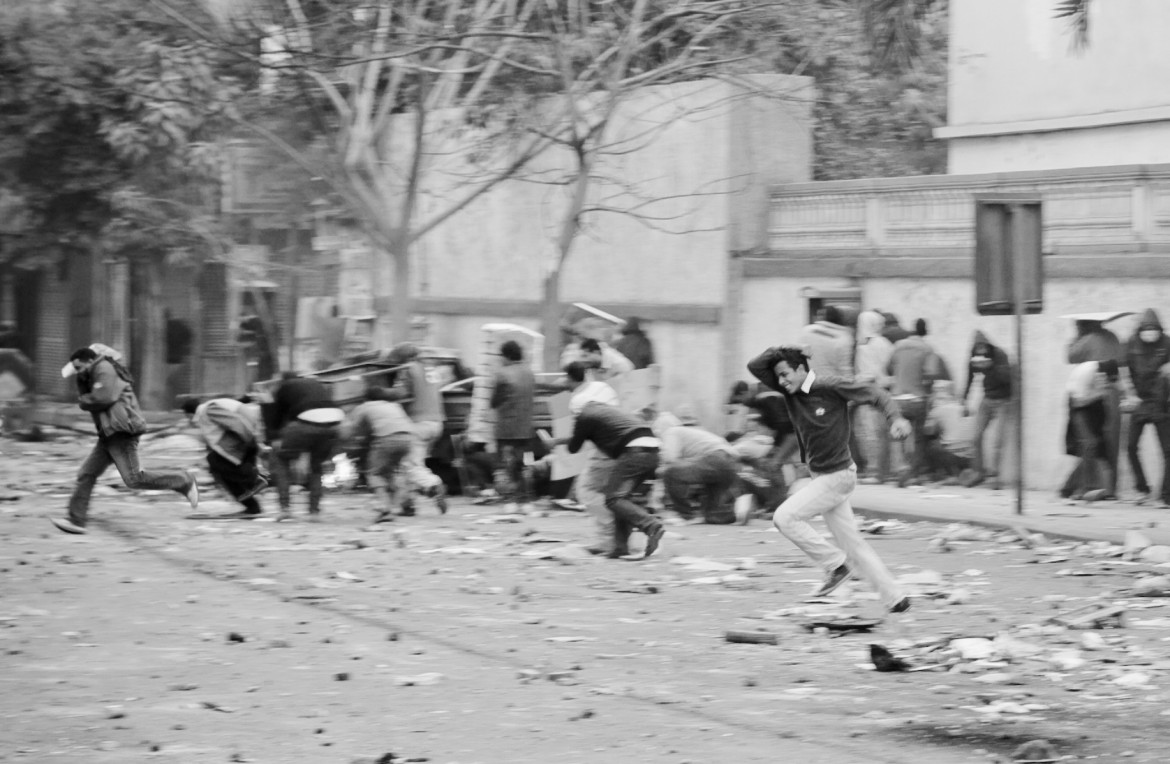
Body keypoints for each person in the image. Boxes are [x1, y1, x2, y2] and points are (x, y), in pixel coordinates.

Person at [748, 344, 912, 613]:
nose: (781, 381)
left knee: (784, 517)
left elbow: (875, 393)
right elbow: (755, 366)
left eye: (786, 373)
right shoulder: (789, 392)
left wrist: (895, 418)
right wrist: (782, 351)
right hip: (822, 476)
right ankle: (896, 599)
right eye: (778, 376)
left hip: (838, 475)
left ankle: (836, 565)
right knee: (854, 544)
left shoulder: (830, 386)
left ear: (801, 369)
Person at [51, 346, 199, 534]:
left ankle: (184, 481)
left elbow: (103, 397)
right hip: (109, 433)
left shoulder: (103, 368)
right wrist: (84, 388)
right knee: (86, 474)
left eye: (79, 367)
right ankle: (76, 520)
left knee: (134, 479)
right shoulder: (93, 373)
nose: (78, 372)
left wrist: (84, 399)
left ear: (89, 361)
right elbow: (92, 397)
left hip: (121, 432)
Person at [564, 401, 666, 559]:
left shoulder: (584, 416)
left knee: (612, 499)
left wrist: (559, 441)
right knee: (620, 500)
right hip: (653, 451)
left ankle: (651, 525)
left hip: (634, 452)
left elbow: (573, 448)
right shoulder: (610, 412)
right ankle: (620, 547)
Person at [266, 371, 345, 522]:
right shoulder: (314, 383)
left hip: (306, 423)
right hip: (334, 423)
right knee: (316, 466)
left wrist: (275, 438)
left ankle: (285, 509)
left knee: (280, 458)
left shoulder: (284, 387)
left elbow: (277, 416)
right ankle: (314, 512)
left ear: (282, 380)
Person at [340, 386, 424, 523]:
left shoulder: (365, 406)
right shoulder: (393, 405)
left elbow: (349, 430)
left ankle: (386, 509)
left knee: (375, 473)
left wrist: (342, 438)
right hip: (409, 438)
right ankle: (401, 505)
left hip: (386, 438)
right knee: (393, 473)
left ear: (366, 398)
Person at [565, 361, 621, 554]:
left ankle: (616, 523)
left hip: (602, 451)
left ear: (570, 379)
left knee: (586, 491)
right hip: (619, 446)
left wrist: (558, 443)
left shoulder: (578, 401)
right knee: (602, 492)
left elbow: (579, 436)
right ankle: (605, 541)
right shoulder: (603, 387)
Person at [182, 396, 269, 519]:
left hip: (243, 440)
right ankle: (252, 507)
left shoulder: (208, 410)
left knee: (214, 461)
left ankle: (255, 479)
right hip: (243, 440)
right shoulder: (205, 416)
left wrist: (250, 441)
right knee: (220, 472)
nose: (188, 421)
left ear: (190, 414)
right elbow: (213, 440)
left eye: (187, 417)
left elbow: (235, 422)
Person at [1068, 318, 1125, 499]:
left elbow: (1070, 356)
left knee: (1091, 444)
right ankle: (1107, 489)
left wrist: (1077, 337)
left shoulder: (1087, 339)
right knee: (1104, 445)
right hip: (1096, 396)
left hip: (1092, 397)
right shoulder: (1113, 337)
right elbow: (1121, 362)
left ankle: (1082, 488)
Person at [390, 342, 448, 514]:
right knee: (412, 463)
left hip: (418, 424)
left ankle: (434, 485)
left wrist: (381, 394)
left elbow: (399, 393)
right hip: (437, 423)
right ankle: (408, 505)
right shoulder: (430, 369)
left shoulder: (408, 369)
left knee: (410, 465)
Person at [887, 319, 946, 487]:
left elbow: (888, 369)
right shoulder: (928, 349)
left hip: (897, 399)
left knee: (897, 437)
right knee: (919, 438)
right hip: (917, 400)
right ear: (925, 332)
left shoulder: (898, 346)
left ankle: (900, 469)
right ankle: (913, 473)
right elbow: (931, 374)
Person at [653, 412, 739, 524]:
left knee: (670, 472)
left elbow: (671, 458)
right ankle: (730, 513)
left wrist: (659, 470)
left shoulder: (671, 431)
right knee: (712, 515)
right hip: (730, 464)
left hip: (715, 459)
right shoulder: (691, 433)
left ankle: (685, 515)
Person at [1123, 310, 1170, 504]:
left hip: (1161, 403)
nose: (1150, 333)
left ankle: (1166, 496)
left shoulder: (1168, 343)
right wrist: (1129, 394)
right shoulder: (1131, 343)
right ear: (1140, 330)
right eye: (1146, 330)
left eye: (1154, 330)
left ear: (1159, 330)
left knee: (1168, 450)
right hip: (1140, 402)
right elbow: (1124, 370)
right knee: (1130, 447)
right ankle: (1142, 488)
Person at [959, 330, 1013, 489]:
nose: (981, 350)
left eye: (983, 347)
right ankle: (978, 471)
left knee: (998, 440)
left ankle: (995, 476)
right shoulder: (973, 356)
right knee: (976, 436)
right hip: (988, 398)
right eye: (978, 347)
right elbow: (969, 378)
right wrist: (964, 401)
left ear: (987, 346)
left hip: (1004, 399)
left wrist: (990, 367)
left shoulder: (999, 354)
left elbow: (1007, 378)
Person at [1061, 360, 1119, 502]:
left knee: (1097, 448)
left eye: (1108, 382)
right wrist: (1100, 393)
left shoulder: (1108, 376)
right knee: (1090, 444)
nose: (1106, 384)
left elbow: (1120, 387)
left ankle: (1067, 488)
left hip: (1094, 403)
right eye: (1103, 380)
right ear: (1099, 374)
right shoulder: (1084, 374)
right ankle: (1085, 488)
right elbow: (1077, 403)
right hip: (1079, 406)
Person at [491, 340, 536, 513]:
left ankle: (510, 501)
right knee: (524, 465)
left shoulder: (502, 374)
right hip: (526, 428)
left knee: (507, 465)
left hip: (506, 429)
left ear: (507, 356)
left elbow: (494, 401)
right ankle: (526, 501)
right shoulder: (529, 373)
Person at [855, 310, 895, 484]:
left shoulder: (864, 346)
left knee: (869, 433)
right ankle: (883, 471)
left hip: (869, 394)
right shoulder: (885, 343)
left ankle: (874, 471)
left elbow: (868, 373)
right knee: (882, 433)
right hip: (885, 391)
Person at [922, 380, 975, 483]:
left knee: (930, 444)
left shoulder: (937, 409)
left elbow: (928, 431)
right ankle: (962, 471)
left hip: (953, 455)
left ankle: (948, 474)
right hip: (971, 455)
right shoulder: (962, 405)